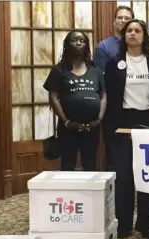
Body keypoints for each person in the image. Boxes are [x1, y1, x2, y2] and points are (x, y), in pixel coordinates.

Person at [103, 19, 149, 239]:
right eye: (129, 30)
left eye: (137, 30)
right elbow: (109, 96)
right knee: (123, 177)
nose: (133, 33)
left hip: (147, 120)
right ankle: (123, 226)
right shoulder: (115, 62)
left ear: (144, 36)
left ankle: (145, 225)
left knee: (146, 175)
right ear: (124, 35)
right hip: (121, 122)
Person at [43, 31, 106, 172]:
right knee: (67, 165)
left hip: (92, 127)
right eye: (74, 40)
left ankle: (89, 194)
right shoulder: (59, 70)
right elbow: (53, 97)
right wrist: (66, 121)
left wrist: (99, 119)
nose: (78, 43)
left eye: (81, 40)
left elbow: (103, 95)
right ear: (67, 44)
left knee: (90, 165)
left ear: (86, 45)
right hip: (68, 128)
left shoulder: (96, 70)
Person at [95, 5, 134, 172]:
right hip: (113, 107)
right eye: (120, 17)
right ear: (114, 22)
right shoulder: (104, 47)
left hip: (136, 107)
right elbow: (104, 81)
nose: (123, 20)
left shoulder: (138, 45)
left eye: (127, 18)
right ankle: (115, 194)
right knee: (113, 150)